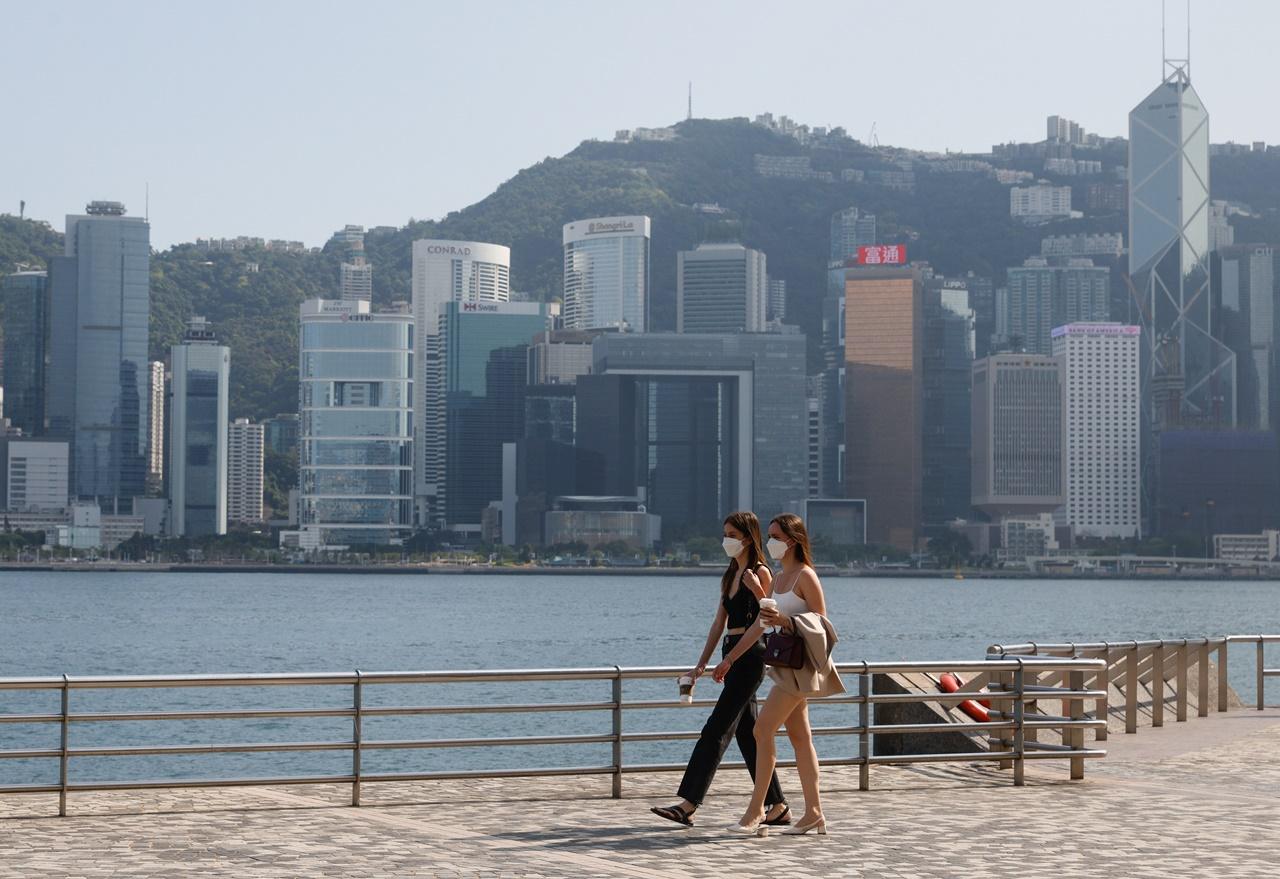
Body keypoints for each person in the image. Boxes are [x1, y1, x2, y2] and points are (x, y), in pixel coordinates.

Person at [650, 511, 790, 828]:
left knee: (715, 730)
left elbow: (765, 619)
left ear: (747, 537)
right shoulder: (730, 574)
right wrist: (701, 663)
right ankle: (778, 804)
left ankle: (688, 804)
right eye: (724, 533)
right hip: (732, 652)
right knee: (748, 735)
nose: (726, 540)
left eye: (731, 534)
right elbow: (718, 623)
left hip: (751, 657)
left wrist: (730, 659)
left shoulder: (761, 572)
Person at [725, 513, 843, 837]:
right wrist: (730, 660)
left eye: (776, 536)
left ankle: (756, 811)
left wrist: (784, 621)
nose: (771, 542)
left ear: (792, 540)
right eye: (770, 536)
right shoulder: (778, 579)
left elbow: (822, 624)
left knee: (762, 730)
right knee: (800, 739)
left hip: (801, 668)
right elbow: (761, 625)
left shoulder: (807, 575)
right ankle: (814, 813)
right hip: (785, 667)